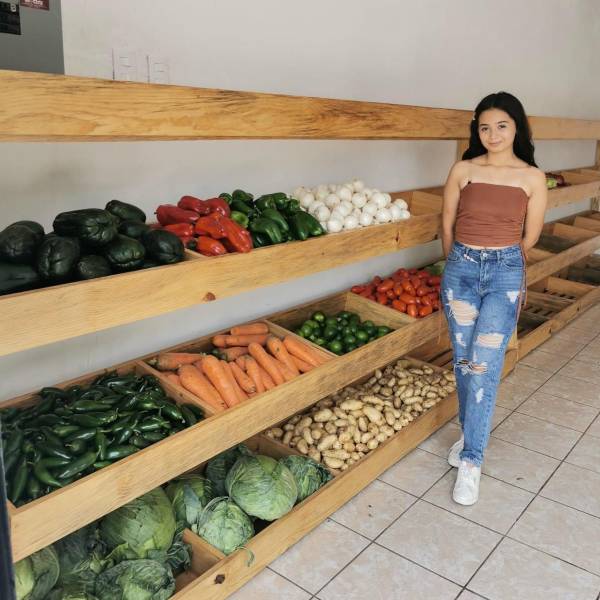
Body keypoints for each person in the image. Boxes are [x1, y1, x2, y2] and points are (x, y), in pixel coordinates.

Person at [441, 91, 547, 506]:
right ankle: (469, 434)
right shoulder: (464, 169)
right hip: (461, 271)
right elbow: (447, 223)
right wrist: (456, 262)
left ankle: (472, 459)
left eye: (502, 125)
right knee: (464, 361)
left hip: (504, 273)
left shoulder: (532, 177)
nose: (493, 134)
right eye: (484, 127)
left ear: (517, 127)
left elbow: (530, 236)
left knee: (484, 364)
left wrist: (502, 261)